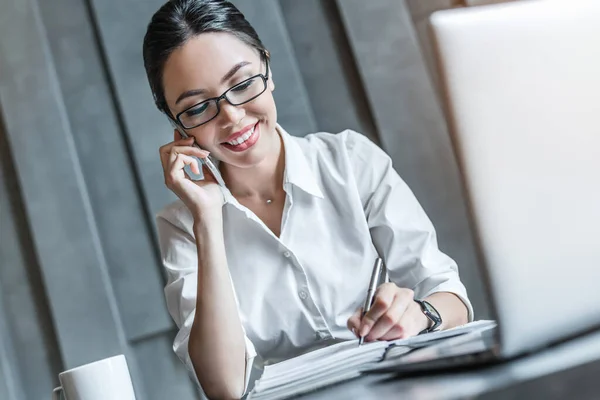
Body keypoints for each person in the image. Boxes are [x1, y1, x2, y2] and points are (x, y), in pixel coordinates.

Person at [143, 0, 472, 398]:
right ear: (178, 127)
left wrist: (420, 314)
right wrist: (208, 218)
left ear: (268, 67)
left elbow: (452, 299)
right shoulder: (183, 226)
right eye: (197, 108)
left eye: (244, 84)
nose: (231, 118)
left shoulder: (351, 162)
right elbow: (225, 387)